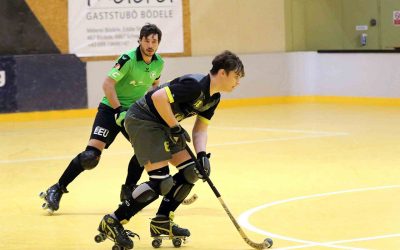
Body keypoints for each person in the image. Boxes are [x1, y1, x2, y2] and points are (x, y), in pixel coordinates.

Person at [95, 50, 245, 249]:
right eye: (236, 77)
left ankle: (162, 221)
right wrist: (175, 126)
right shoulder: (195, 85)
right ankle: (113, 221)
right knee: (161, 182)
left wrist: (202, 155)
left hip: (165, 125)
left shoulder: (213, 98)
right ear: (223, 73)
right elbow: (158, 97)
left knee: (192, 171)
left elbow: (200, 129)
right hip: (143, 120)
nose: (238, 82)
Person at [40, 23, 164, 213]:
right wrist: (117, 111)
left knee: (144, 151)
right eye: (146, 40)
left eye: (154, 41)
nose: (150, 44)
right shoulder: (127, 59)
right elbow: (107, 84)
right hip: (110, 110)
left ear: (158, 44)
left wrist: (154, 110)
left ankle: (129, 190)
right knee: (90, 157)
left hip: (134, 113)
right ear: (139, 41)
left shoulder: (158, 63)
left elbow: (155, 86)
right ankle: (57, 188)